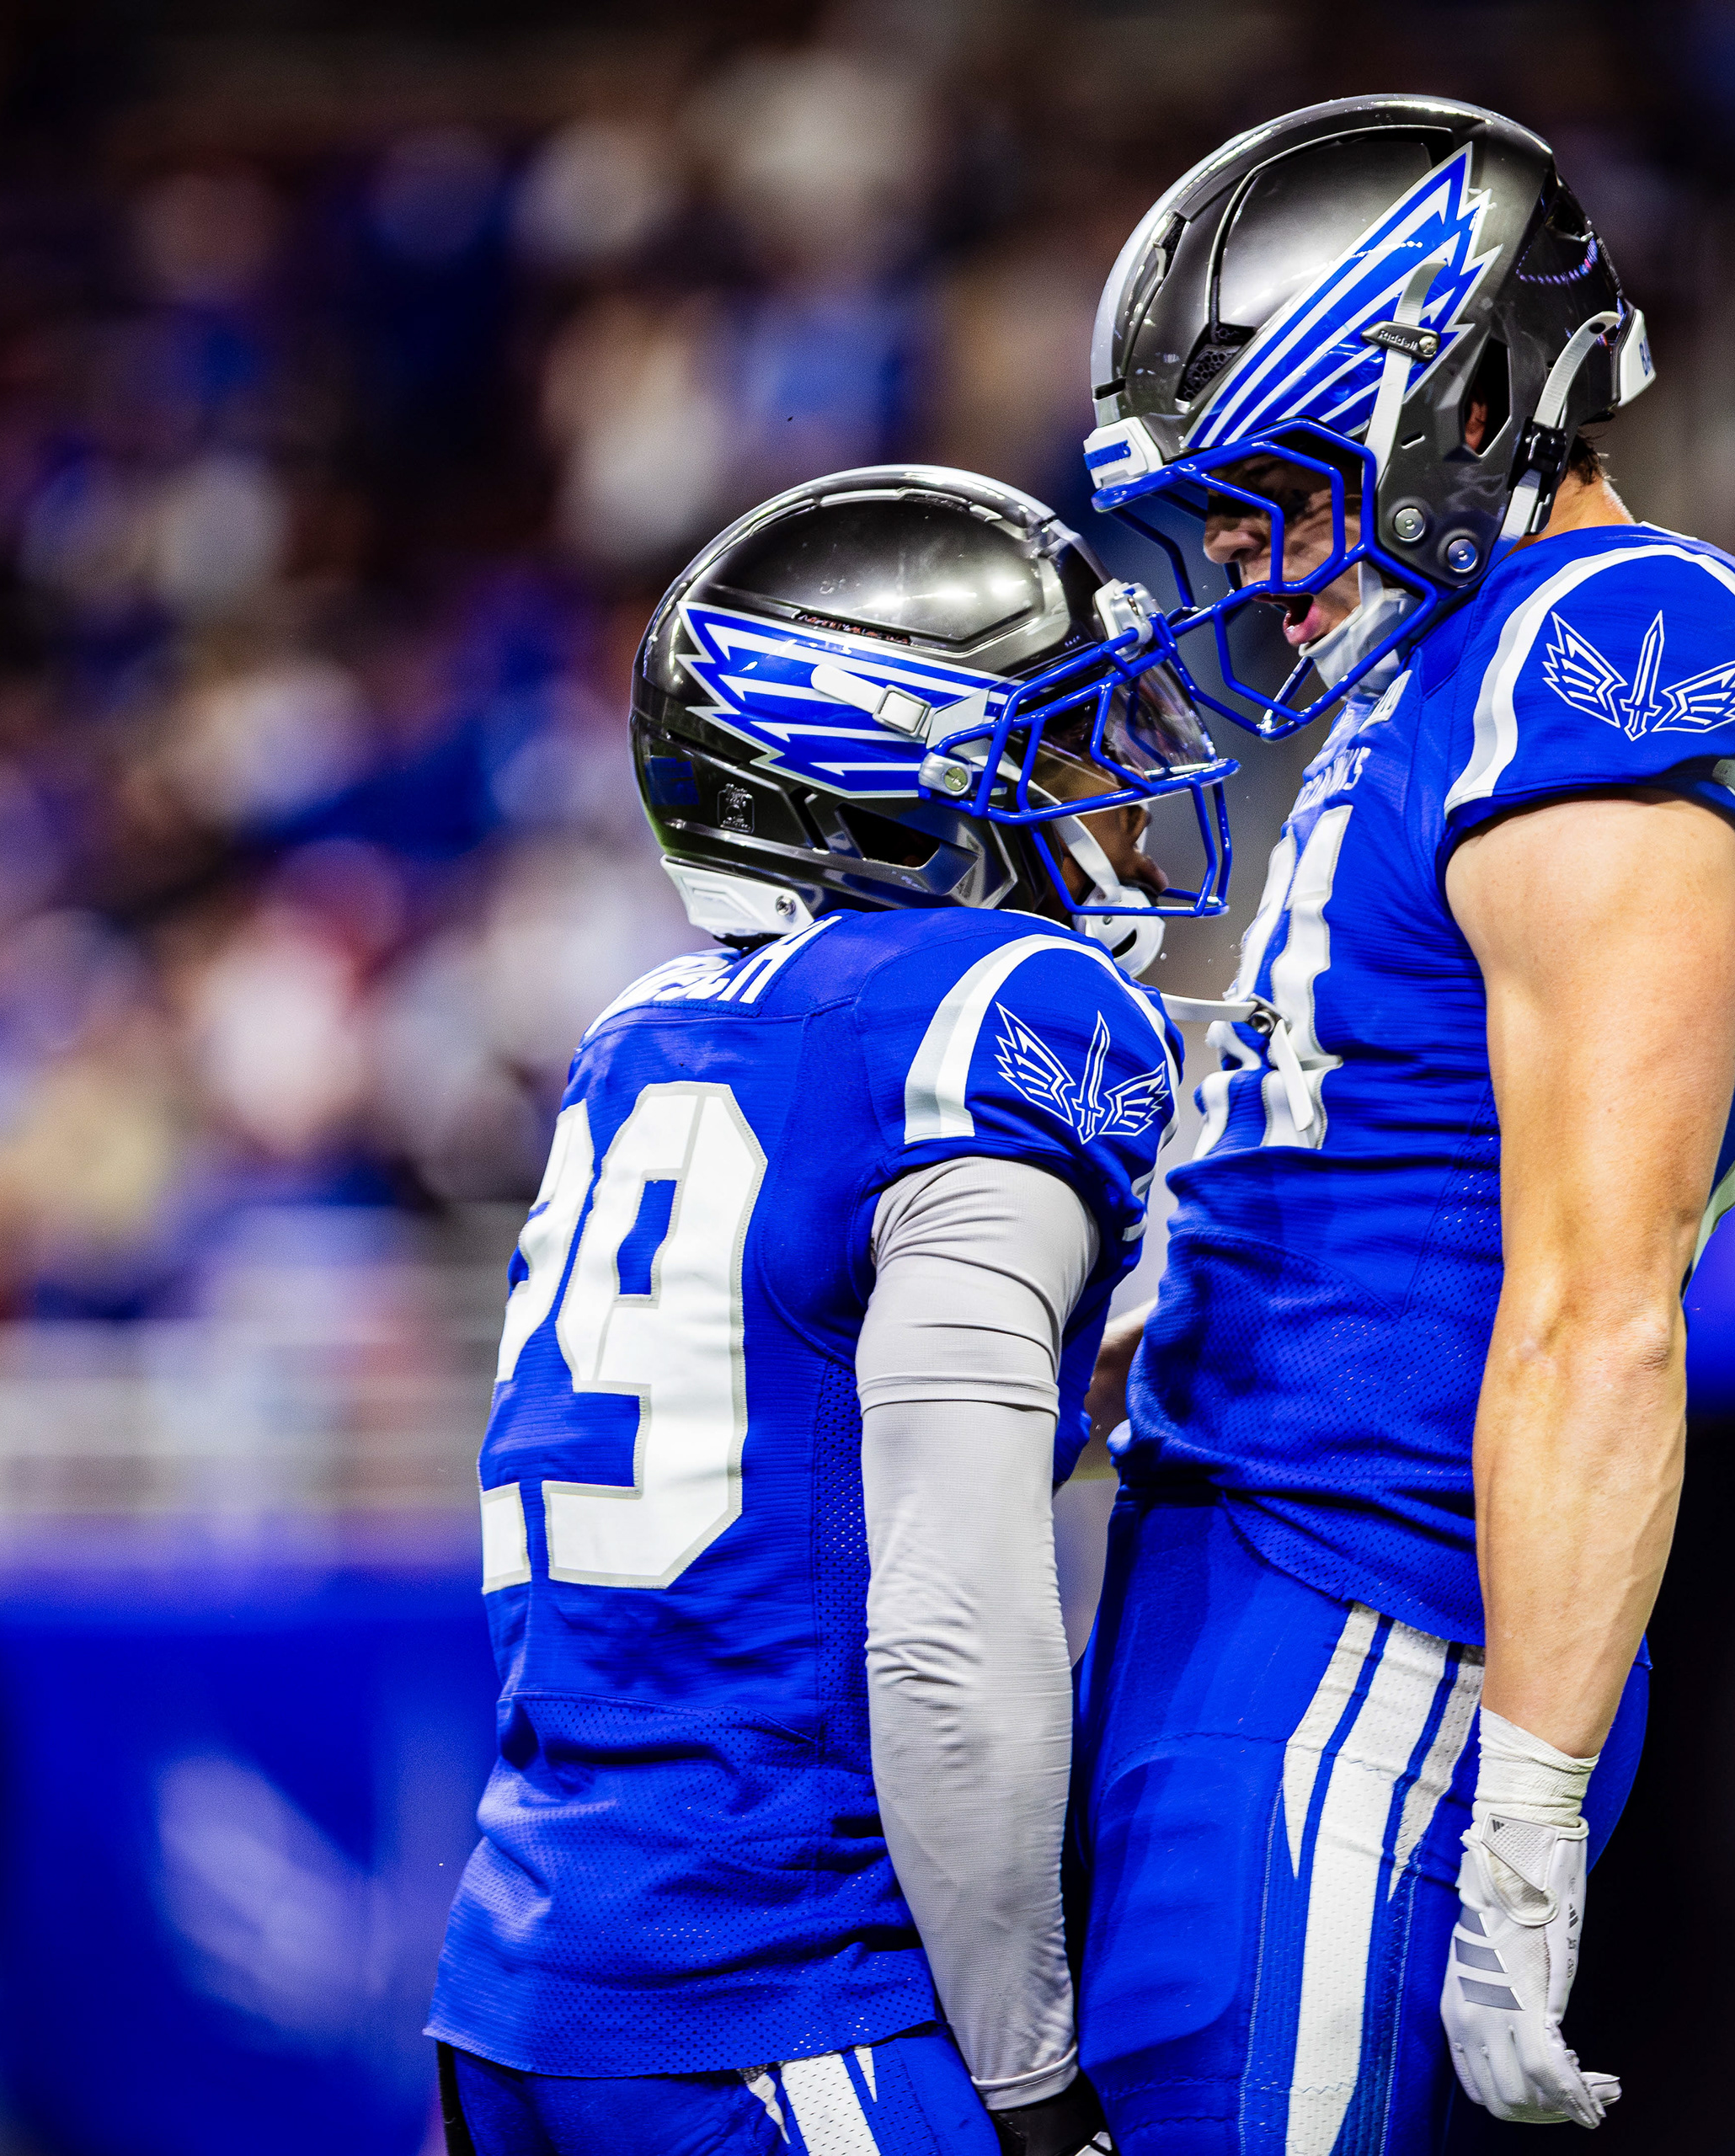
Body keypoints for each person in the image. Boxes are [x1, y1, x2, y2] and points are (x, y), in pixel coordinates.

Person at [1065, 98, 1735, 2145]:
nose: (1237, 559)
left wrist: (1522, 1809)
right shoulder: (1438, 681)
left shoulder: (1614, 644)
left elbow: (1602, 1301)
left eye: (1271, 491)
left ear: (1471, 397)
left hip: (1379, 1603)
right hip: (1237, 1565)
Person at [428, 466, 1237, 2156]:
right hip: (778, 1996)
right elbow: (947, 1631)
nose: (1138, 788)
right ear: (902, 779)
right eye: (1077, 740)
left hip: (524, 1973)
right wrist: (1030, 2083)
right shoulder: (1002, 1005)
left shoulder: (647, 1027)